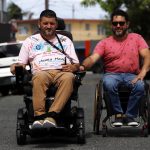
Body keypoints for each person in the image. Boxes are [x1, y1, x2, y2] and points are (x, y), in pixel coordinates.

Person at [10, 9, 79, 129]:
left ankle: (52, 116)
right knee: (40, 77)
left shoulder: (65, 40)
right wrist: (15, 67)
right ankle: (39, 117)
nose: (49, 26)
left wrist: (73, 67)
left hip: (61, 72)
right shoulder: (30, 41)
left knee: (69, 77)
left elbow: (77, 64)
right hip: (41, 73)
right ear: (39, 24)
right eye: (45, 23)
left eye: (52, 24)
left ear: (56, 25)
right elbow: (21, 63)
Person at [80, 9, 150, 127]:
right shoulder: (104, 43)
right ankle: (118, 114)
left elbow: (147, 55)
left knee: (140, 85)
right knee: (109, 83)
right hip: (112, 75)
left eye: (121, 23)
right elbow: (93, 58)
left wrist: (143, 72)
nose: (118, 26)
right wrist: (83, 66)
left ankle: (129, 116)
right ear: (111, 25)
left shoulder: (137, 38)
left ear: (127, 24)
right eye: (115, 23)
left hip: (132, 75)